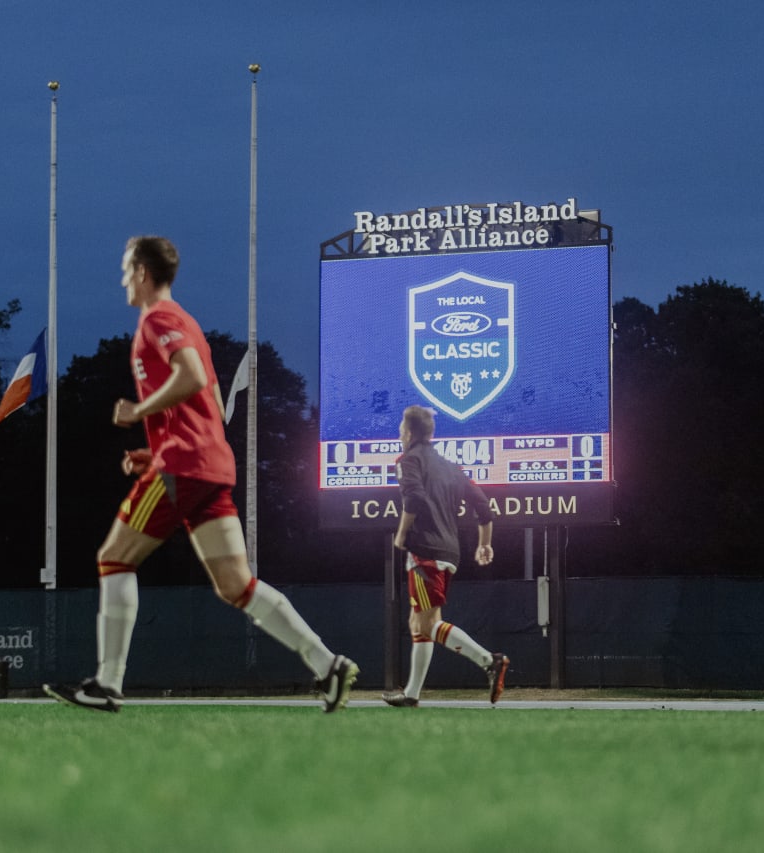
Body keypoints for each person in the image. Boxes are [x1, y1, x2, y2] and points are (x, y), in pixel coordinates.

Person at [44, 236, 358, 713]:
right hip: (207, 465)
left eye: (127, 269)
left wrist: (139, 412)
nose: (123, 279)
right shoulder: (186, 321)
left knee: (114, 558)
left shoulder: (160, 318)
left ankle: (107, 684)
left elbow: (189, 376)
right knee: (237, 585)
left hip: (185, 465)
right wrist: (154, 455)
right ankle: (327, 663)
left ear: (144, 273)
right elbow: (206, 403)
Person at [383, 405, 508, 708]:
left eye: (402, 427)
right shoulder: (451, 466)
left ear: (409, 432)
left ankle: (489, 661)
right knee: (419, 623)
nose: (400, 432)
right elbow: (484, 507)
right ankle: (412, 694)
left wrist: (401, 534)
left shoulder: (407, 460)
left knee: (426, 625)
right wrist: (484, 544)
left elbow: (413, 497)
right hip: (449, 551)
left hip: (425, 554)